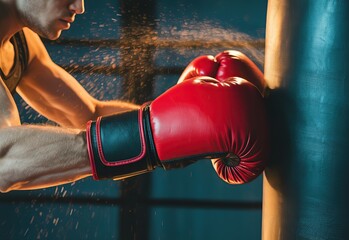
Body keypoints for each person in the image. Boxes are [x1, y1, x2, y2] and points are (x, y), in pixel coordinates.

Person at [0, 0, 269, 192]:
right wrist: (152, 136)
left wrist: (180, 123)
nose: (79, 7)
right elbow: (4, 161)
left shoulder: (21, 44)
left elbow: (88, 114)